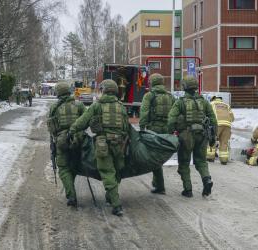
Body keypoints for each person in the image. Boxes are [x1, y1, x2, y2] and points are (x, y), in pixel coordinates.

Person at [70, 79, 129, 216]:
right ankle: (111, 196)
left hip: (103, 144)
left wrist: (72, 130)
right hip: (120, 144)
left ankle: (116, 205)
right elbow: (126, 127)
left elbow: (83, 121)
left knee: (107, 172)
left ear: (104, 91)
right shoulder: (121, 107)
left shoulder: (97, 106)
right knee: (117, 170)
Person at [167, 76, 217, 198]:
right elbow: (213, 120)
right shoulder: (204, 102)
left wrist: (170, 132)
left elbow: (171, 120)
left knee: (184, 162)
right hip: (202, 135)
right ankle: (207, 180)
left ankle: (188, 190)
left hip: (186, 136)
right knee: (201, 161)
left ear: (184, 87)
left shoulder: (180, 102)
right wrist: (213, 137)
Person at [47, 82, 85, 207]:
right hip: (78, 140)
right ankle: (71, 189)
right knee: (73, 166)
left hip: (61, 141)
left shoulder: (54, 107)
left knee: (63, 168)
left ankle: (71, 195)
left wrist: (54, 139)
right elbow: (86, 120)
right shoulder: (79, 105)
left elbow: (51, 127)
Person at [139, 73, 174, 195]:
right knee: (161, 156)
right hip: (167, 129)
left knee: (154, 157)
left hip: (154, 129)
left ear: (152, 82)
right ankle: (158, 184)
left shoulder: (149, 95)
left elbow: (144, 112)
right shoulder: (170, 96)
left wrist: (142, 127)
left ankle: (160, 185)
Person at [206, 95, 234, 165]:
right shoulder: (227, 105)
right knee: (224, 142)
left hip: (217, 124)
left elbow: (207, 115)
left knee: (212, 140)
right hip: (227, 125)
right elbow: (232, 118)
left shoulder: (211, 104)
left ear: (213, 99)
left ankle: (210, 157)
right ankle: (224, 160)